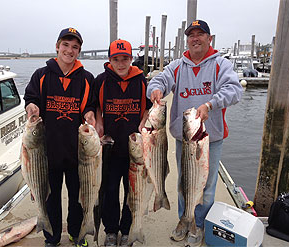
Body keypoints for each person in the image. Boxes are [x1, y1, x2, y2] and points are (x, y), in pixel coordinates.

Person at [147, 20, 243, 247]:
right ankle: (185, 218)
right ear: (187, 40)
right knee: (185, 182)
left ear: (210, 39)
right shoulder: (178, 66)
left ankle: (198, 223)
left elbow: (234, 90)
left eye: (201, 34)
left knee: (206, 186)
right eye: (191, 35)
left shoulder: (220, 64)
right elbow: (160, 78)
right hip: (185, 137)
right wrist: (156, 89)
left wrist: (210, 105)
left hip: (211, 138)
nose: (195, 38)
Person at [24, 27, 95, 247]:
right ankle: (52, 237)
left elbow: (89, 106)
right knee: (50, 198)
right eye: (65, 45)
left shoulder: (86, 78)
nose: (69, 50)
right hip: (47, 153)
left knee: (77, 199)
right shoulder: (41, 75)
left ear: (79, 51)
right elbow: (30, 97)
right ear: (57, 46)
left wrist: (90, 113)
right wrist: (32, 106)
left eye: (75, 47)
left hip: (77, 154)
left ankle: (76, 233)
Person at [91, 39, 152, 247]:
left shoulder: (141, 81)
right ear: (110, 60)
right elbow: (95, 106)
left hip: (134, 149)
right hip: (109, 148)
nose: (120, 63)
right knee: (109, 191)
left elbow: (148, 108)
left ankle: (126, 230)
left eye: (124, 58)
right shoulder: (101, 81)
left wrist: (143, 126)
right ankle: (110, 231)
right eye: (116, 59)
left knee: (131, 192)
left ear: (131, 59)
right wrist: (98, 121)